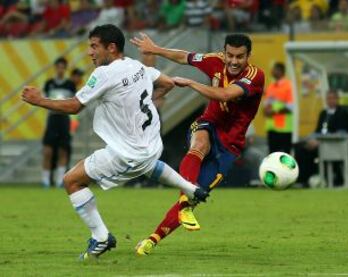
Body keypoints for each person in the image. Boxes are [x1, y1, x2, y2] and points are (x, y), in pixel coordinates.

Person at [22, 24, 208, 260]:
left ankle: (101, 238)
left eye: (94, 46)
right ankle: (191, 189)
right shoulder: (137, 66)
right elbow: (167, 83)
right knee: (149, 165)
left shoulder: (104, 73)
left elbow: (75, 106)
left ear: (111, 47)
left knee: (72, 181)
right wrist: (147, 102)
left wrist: (40, 101)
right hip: (152, 146)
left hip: (126, 153)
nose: (90, 52)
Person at [130, 32, 264, 255]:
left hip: (230, 145)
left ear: (248, 55)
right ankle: (185, 201)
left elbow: (224, 95)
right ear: (224, 51)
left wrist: (191, 83)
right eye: (229, 55)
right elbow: (186, 57)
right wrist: (156, 49)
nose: (233, 61)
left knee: (195, 196)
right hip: (208, 124)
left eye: (239, 57)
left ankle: (152, 240)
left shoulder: (255, 76)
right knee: (198, 146)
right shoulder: (216, 61)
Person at [294, 90, 348, 187]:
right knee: (299, 148)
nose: (331, 101)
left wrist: (320, 141)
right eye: (328, 99)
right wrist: (311, 139)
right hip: (319, 143)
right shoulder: (323, 113)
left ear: (337, 99)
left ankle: (309, 180)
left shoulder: (343, 113)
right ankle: (300, 179)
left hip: (334, 145)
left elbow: (342, 133)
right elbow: (317, 131)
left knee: (308, 153)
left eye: (333, 98)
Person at [41, 57, 76, 188]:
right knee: (47, 151)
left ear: (65, 69)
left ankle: (60, 180)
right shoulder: (49, 83)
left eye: (63, 67)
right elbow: (45, 101)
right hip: (52, 118)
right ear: (55, 68)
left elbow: (74, 102)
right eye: (58, 67)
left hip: (64, 119)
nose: (60, 70)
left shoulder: (70, 84)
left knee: (63, 150)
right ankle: (45, 180)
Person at [263, 62, 294, 154]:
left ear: (281, 71)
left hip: (284, 129)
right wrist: (265, 111)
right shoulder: (271, 87)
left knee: (285, 156)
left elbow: (290, 107)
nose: (272, 71)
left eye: (274, 69)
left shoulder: (288, 86)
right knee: (273, 156)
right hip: (271, 128)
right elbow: (266, 106)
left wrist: (273, 112)